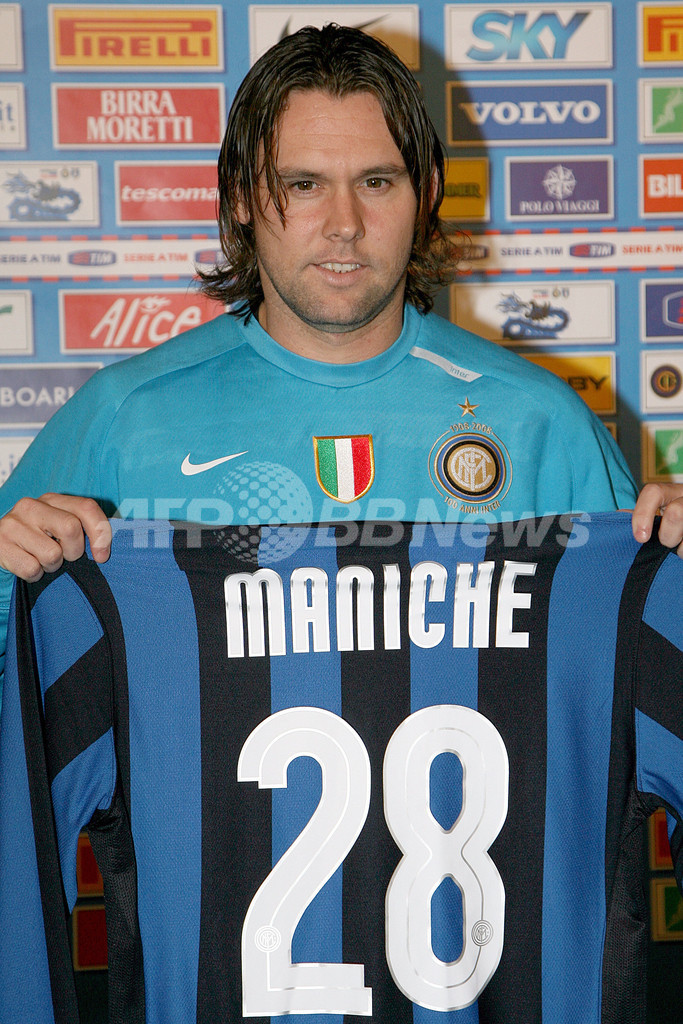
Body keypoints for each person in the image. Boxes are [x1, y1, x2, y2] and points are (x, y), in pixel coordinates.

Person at [0, 22, 681, 695]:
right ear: (240, 197)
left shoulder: (540, 422)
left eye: (377, 182)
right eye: (303, 185)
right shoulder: (124, 417)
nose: (344, 224)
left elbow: (638, 685)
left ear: (427, 193)